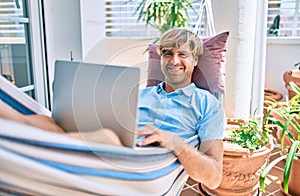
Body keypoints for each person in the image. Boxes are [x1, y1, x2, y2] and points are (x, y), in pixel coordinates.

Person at [0, 28, 225, 190]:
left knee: (106, 136)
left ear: (194, 60)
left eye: (182, 54)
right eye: (167, 53)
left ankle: (32, 147)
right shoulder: (140, 94)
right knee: (50, 121)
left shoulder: (207, 104)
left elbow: (214, 177)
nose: (173, 60)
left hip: (150, 164)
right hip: (113, 147)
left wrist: (173, 141)